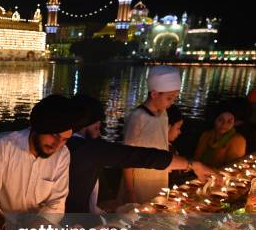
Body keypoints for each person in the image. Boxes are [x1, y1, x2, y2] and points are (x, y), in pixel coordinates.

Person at [66, 95, 212, 213]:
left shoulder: (70, 145)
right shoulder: (88, 149)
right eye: (98, 127)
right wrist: (192, 164)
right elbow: (141, 156)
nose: (99, 132)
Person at [0, 94, 78, 230]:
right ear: (38, 126)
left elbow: (57, 202)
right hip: (1, 228)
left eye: (65, 140)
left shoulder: (62, 154)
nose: (57, 146)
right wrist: (6, 227)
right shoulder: (3, 145)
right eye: (54, 135)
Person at [119, 65, 180, 204]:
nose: (172, 103)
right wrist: (131, 190)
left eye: (174, 98)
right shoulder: (138, 117)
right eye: (169, 98)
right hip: (139, 181)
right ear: (154, 94)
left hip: (159, 176)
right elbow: (126, 156)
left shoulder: (164, 114)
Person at [194, 102, 247, 167]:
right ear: (214, 120)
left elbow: (232, 166)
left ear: (234, 123)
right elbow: (196, 158)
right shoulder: (207, 134)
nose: (224, 124)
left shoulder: (237, 140)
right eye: (220, 120)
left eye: (229, 121)